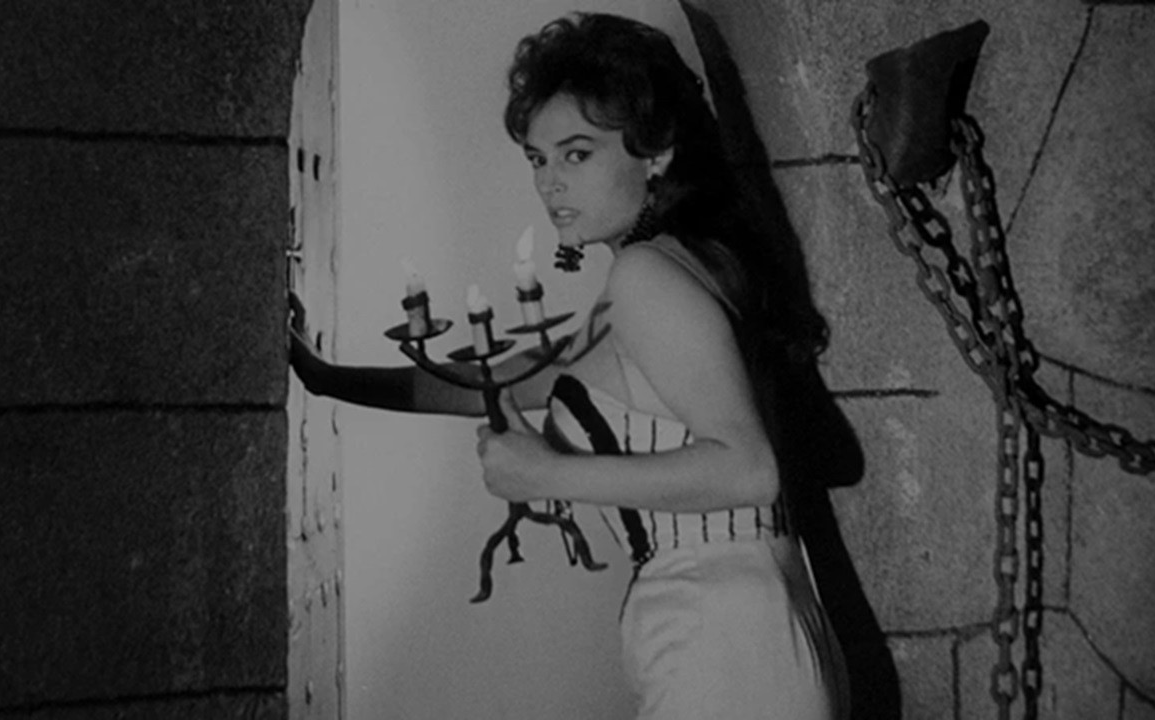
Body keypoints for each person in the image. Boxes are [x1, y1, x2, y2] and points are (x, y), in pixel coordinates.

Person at [290, 12, 849, 719]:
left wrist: (546, 475)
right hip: (751, 622)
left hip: (724, 632)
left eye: (576, 155)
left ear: (656, 153)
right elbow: (498, 383)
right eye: (538, 159)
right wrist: (324, 376)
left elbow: (749, 469)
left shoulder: (646, 278)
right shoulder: (681, 267)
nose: (550, 183)